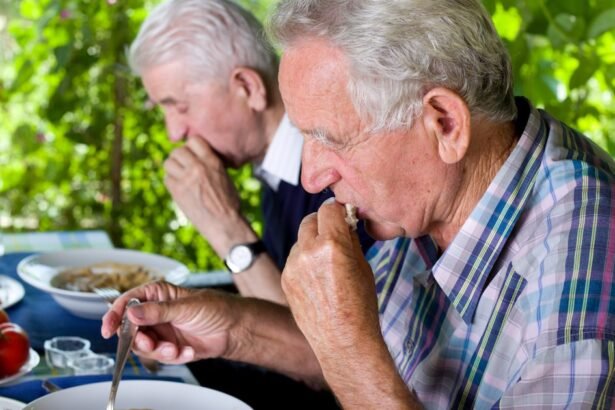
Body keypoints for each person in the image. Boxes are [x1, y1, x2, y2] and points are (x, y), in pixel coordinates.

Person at [103, 0, 615, 408]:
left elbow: (356, 359)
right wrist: (229, 325)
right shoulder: (427, 195)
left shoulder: (584, 263)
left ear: (445, 123)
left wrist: (349, 348)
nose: (311, 174)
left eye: (331, 139)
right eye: (304, 136)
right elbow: (364, 352)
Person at [128, 0, 373, 305]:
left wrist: (227, 229)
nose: (174, 133)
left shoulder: (337, 183)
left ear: (248, 86)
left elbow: (320, 348)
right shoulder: (274, 170)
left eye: (180, 107)